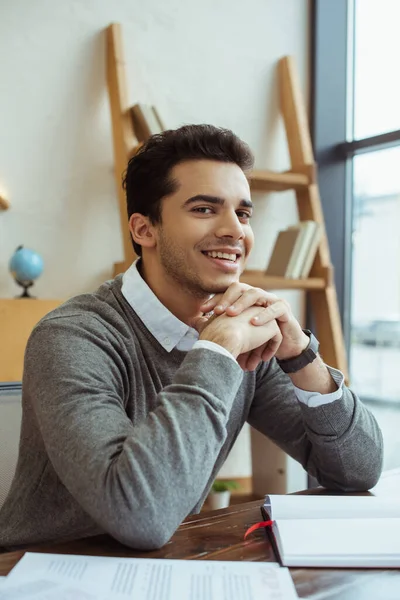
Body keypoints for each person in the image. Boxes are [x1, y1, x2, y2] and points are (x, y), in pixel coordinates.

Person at [0, 124, 383, 552]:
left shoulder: (245, 335)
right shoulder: (71, 337)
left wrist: (300, 355)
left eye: (243, 213)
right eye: (204, 209)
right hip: (35, 573)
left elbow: (358, 470)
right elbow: (139, 514)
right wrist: (215, 351)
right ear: (145, 230)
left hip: (165, 564)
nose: (235, 231)